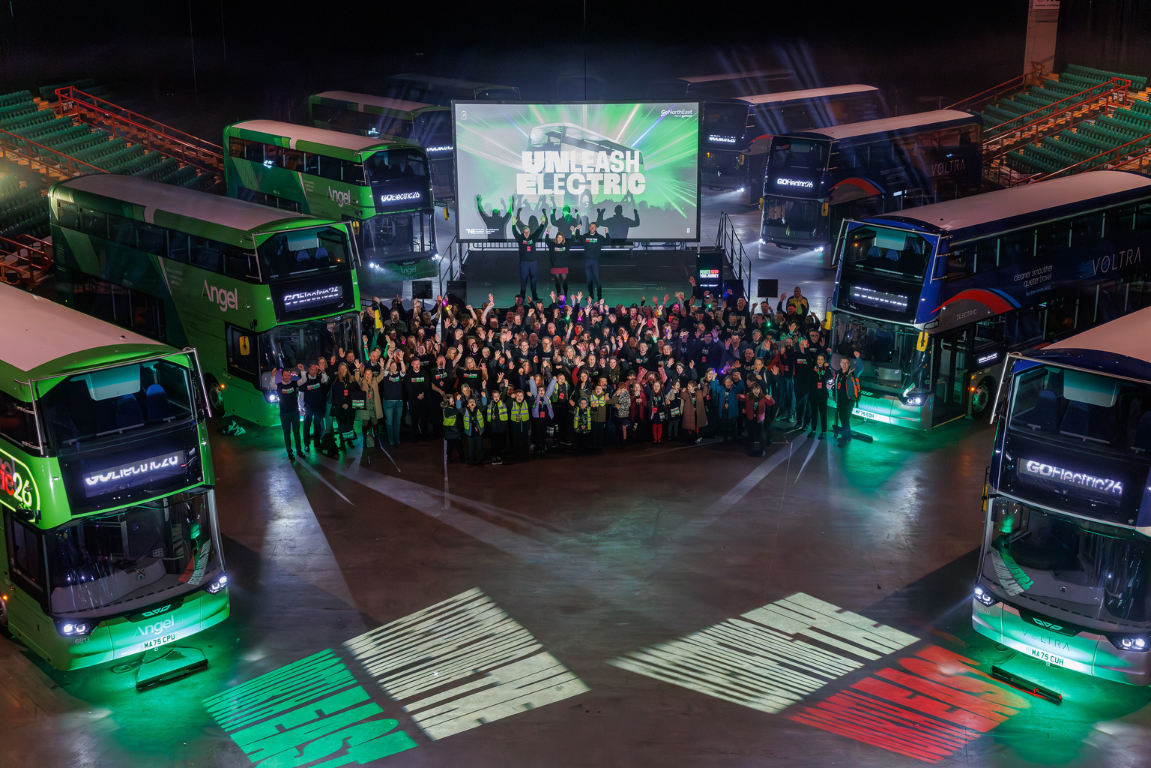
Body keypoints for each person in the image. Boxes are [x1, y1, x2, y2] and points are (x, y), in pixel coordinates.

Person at [570, 221, 609, 301]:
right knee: (589, 279)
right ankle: (591, 295)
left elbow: (608, 242)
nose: (592, 228)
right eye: (591, 227)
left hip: (595, 261)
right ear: (589, 228)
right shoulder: (585, 236)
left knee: (597, 279)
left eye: (593, 227)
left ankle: (599, 296)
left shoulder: (599, 237)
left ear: (596, 228)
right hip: (587, 261)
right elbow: (578, 238)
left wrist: (607, 233)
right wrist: (577, 229)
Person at [514, 213, 547, 302]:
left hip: (533, 263)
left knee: (534, 280)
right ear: (523, 233)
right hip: (524, 263)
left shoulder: (533, 237)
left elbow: (539, 231)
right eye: (525, 232)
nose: (527, 233)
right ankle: (522, 297)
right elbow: (515, 232)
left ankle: (534, 296)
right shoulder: (520, 239)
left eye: (528, 232)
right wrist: (513, 225)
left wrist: (542, 223)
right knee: (523, 281)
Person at [273, 368, 302, 460]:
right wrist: (273, 375)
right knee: (287, 433)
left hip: (294, 412)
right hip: (284, 414)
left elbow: (304, 380)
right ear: (282, 376)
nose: (287, 377)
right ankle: (289, 452)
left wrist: (302, 372)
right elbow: (272, 385)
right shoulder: (279, 386)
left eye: (289, 375)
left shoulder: (293, 383)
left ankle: (299, 451)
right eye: (285, 375)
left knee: (297, 433)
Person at [299, 362, 329, 452]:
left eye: (316, 369)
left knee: (317, 426)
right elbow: (301, 395)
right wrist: (300, 407)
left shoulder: (319, 378)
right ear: (309, 370)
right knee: (307, 426)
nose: (315, 371)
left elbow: (325, 380)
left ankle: (317, 443)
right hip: (308, 407)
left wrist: (323, 372)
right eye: (313, 369)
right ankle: (307, 445)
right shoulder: (304, 381)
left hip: (318, 406)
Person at [738, 383, 774, 456]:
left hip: (760, 420)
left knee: (762, 436)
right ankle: (750, 450)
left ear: (760, 390)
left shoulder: (763, 397)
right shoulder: (749, 396)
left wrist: (769, 397)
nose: (756, 390)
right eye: (754, 389)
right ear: (752, 390)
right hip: (751, 419)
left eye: (757, 389)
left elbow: (772, 402)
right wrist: (741, 396)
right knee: (751, 435)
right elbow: (738, 397)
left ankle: (762, 450)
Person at [833, 356, 860, 447]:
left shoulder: (853, 373)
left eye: (846, 363)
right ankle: (847, 436)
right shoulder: (838, 373)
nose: (844, 365)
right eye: (842, 363)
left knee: (845, 418)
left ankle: (845, 438)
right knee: (842, 418)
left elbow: (861, 367)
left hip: (849, 400)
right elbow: (836, 385)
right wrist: (834, 395)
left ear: (849, 364)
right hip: (840, 399)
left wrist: (858, 357)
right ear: (840, 364)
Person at [331, 362, 358, 451]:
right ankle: (342, 442)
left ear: (347, 369)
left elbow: (353, 393)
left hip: (349, 406)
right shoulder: (336, 380)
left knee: (350, 423)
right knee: (341, 424)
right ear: (339, 370)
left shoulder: (351, 379)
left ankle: (349, 441)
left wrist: (348, 403)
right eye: (341, 369)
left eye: (345, 369)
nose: (343, 371)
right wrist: (342, 403)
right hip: (340, 406)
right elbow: (336, 394)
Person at [355, 364, 382, 448]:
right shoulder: (362, 381)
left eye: (370, 374)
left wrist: (382, 367)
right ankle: (364, 441)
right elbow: (356, 378)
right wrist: (357, 369)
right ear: (364, 375)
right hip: (365, 407)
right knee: (365, 423)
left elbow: (382, 375)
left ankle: (377, 440)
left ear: (372, 374)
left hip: (374, 407)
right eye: (366, 374)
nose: (368, 375)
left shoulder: (375, 380)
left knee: (375, 422)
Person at [380, 356, 405, 446]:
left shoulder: (399, 374)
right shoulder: (386, 375)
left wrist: (401, 360)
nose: (393, 367)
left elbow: (403, 371)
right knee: (390, 421)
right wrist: (390, 359)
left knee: (397, 421)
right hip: (388, 402)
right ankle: (391, 439)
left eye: (395, 366)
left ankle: (397, 438)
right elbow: (385, 369)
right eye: (392, 366)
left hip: (399, 401)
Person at [809, 353, 832, 439]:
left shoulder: (826, 370)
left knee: (823, 414)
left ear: (824, 361)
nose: (820, 361)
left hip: (822, 394)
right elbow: (810, 379)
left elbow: (829, 377)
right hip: (814, 394)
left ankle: (823, 432)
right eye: (818, 359)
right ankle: (813, 430)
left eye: (822, 360)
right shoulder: (813, 369)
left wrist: (827, 367)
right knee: (814, 413)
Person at [440, 393, 466, 463]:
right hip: (452, 431)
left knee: (452, 446)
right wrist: (458, 401)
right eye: (452, 401)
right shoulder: (447, 410)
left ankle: (451, 458)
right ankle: (459, 458)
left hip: (451, 431)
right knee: (456, 446)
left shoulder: (447, 408)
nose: (453, 402)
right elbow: (457, 410)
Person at [487, 389, 510, 464]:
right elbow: (486, 396)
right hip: (493, 427)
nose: (496, 397)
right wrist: (484, 387)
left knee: (500, 442)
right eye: (494, 396)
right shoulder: (490, 403)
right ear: (492, 397)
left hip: (501, 427)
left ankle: (499, 456)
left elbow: (504, 394)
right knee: (493, 442)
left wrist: (506, 386)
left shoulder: (502, 401)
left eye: (497, 396)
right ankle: (494, 456)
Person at [546, 229, 572, 297]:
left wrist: (573, 232)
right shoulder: (552, 245)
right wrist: (548, 231)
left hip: (564, 266)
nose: (560, 239)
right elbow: (547, 240)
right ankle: (559, 295)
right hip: (555, 266)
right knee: (557, 282)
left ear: (563, 238)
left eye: (561, 237)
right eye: (558, 237)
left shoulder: (566, 244)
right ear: (556, 238)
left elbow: (572, 240)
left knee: (564, 281)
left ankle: (565, 294)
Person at [509, 388, 532, 460]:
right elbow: (507, 404)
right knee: (516, 441)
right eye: (517, 395)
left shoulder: (526, 402)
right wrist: (510, 398)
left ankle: (525, 455)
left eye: (521, 395)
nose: (519, 397)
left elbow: (532, 402)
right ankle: (516, 455)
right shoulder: (512, 403)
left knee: (525, 441)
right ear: (515, 396)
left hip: (524, 426)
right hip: (516, 426)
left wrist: (531, 396)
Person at [462, 397, 485, 466]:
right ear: (467, 405)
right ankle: (471, 461)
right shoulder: (465, 411)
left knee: (479, 447)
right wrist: (457, 400)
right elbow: (458, 408)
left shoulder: (479, 410)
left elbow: (484, 405)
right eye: (470, 402)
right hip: (470, 432)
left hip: (478, 432)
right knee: (470, 447)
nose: (472, 403)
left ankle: (479, 461)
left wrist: (483, 397)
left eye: (473, 402)